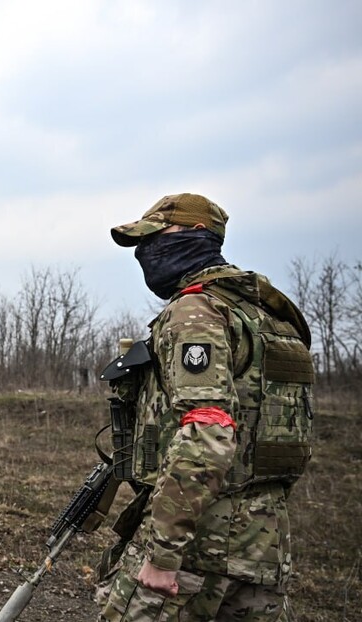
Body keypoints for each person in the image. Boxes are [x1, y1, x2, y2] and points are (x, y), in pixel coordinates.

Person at [96, 193, 315, 621]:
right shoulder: (270, 315)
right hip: (263, 547)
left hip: (197, 545)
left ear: (199, 236)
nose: (146, 252)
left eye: (157, 238)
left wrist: (163, 552)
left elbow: (208, 429)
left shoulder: (196, 310)